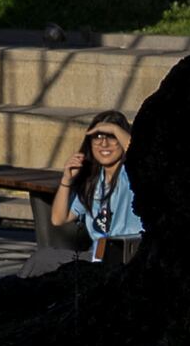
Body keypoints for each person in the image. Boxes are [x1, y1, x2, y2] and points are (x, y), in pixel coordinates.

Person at [52, 113, 144, 264]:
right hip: (97, 256)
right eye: (98, 137)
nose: (104, 144)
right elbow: (58, 218)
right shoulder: (92, 180)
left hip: (129, 255)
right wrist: (66, 180)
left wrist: (115, 128)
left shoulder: (130, 174)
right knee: (43, 259)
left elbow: (139, 154)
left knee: (42, 261)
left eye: (111, 136)